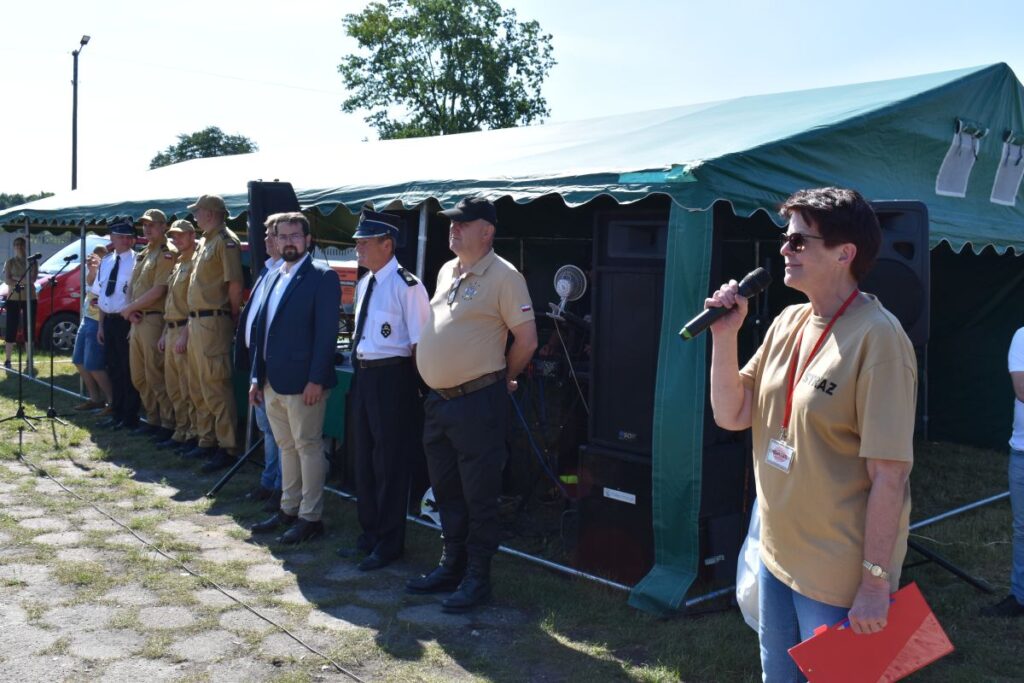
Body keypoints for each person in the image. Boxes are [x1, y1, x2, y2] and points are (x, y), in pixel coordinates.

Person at [706, 187, 916, 681]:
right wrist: (724, 336)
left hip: (839, 580)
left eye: (799, 241)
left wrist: (874, 585)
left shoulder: (880, 339)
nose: (784, 249)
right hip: (777, 559)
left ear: (845, 254)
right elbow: (732, 413)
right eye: (786, 238)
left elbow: (889, 477)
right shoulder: (788, 321)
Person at [407, 196, 538, 613]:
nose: (454, 229)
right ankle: (452, 565)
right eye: (451, 223)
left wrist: (505, 378)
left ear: (488, 231)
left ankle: (478, 578)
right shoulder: (447, 269)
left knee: (479, 493)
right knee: (447, 491)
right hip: (439, 403)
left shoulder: (505, 276)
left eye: (464, 223)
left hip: (478, 402)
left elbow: (528, 339)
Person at [341, 210, 430, 571]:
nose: (358, 248)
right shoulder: (365, 283)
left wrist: (416, 390)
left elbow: (419, 345)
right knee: (363, 459)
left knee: (390, 462)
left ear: (387, 244)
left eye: (365, 242)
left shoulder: (408, 286)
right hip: (363, 376)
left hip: (392, 379)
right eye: (358, 242)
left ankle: (390, 542)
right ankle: (370, 533)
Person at [249, 212, 340, 544]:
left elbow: (326, 335)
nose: (288, 241)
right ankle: (288, 509)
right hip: (272, 381)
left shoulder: (322, 277)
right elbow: (262, 330)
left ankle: (310, 517)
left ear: (308, 240)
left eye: (295, 235)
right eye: (282, 236)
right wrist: (256, 379)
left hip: (305, 383)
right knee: (287, 447)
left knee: (307, 447)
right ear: (274, 239)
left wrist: (316, 379)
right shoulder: (274, 276)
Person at [184, 194, 244, 472]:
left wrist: (232, 316)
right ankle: (208, 440)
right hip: (197, 321)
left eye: (197, 212)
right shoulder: (207, 240)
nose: (194, 217)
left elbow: (234, 283)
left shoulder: (224, 240)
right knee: (200, 384)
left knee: (215, 385)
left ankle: (228, 446)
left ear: (209, 213)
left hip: (213, 320)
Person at [234, 216, 286, 509]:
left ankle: (279, 487)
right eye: (265, 234)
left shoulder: (286, 273)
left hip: (274, 367)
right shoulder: (267, 270)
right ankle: (269, 481)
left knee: (280, 432)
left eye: (271, 235)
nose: (265, 240)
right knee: (267, 428)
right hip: (259, 364)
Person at [122, 208, 177, 441]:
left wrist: (131, 308)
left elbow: (159, 290)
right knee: (139, 376)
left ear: (164, 226)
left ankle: (166, 423)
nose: (147, 228)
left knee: (155, 374)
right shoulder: (144, 252)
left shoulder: (166, 252)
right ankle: (152, 418)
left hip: (153, 319)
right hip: (137, 319)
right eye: (144, 225)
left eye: (152, 224)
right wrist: (130, 309)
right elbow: (132, 286)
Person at [981, 328, 1024, 617]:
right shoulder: (1023, 336)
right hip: (1022, 451)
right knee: (1022, 529)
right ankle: (1020, 597)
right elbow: (1022, 390)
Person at [156, 220, 200, 454]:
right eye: (173, 236)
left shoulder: (195, 262)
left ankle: (193, 433)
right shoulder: (178, 262)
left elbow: (192, 305)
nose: (176, 240)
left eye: (181, 236)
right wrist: (165, 332)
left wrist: (184, 334)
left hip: (185, 329)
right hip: (171, 328)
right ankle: (181, 431)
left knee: (187, 387)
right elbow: (171, 302)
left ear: (192, 235)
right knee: (174, 387)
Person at [94, 220, 143, 430]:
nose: (126, 240)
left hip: (126, 321)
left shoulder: (137, 261)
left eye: (128, 237)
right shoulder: (106, 261)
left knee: (127, 370)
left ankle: (129, 416)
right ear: (111, 238)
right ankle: (117, 412)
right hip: (110, 321)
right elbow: (102, 296)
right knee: (113, 368)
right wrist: (100, 326)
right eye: (120, 236)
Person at [71, 244, 113, 411]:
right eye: (91, 257)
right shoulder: (93, 273)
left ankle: (112, 401)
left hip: (97, 321)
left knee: (94, 365)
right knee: (79, 360)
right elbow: (90, 283)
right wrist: (92, 269)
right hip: (87, 318)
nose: (92, 260)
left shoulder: (109, 270)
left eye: (97, 257)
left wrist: (97, 268)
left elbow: (104, 293)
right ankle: (95, 398)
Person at [3, 236, 38, 372]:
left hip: (30, 298)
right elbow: (7, 280)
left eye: (21, 244)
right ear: (14, 247)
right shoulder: (10, 262)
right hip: (13, 299)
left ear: (25, 246)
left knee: (29, 328)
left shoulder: (32, 262)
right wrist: (22, 279)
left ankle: (29, 359)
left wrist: (16, 278)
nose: (19, 246)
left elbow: (32, 279)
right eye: (16, 244)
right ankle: (8, 359)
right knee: (11, 328)